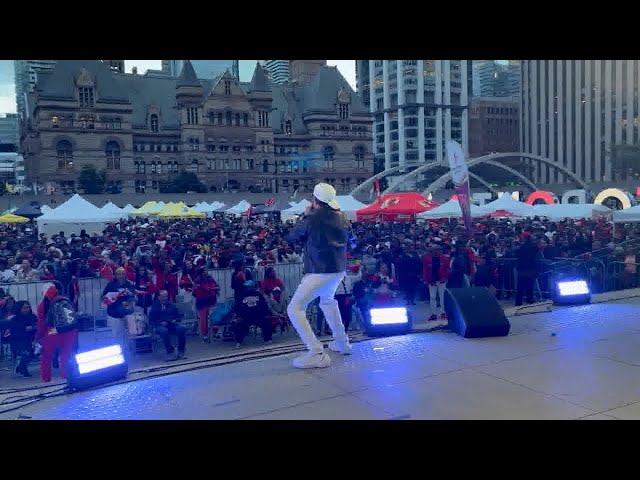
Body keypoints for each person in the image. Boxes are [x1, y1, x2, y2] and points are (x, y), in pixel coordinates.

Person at [286, 183, 351, 369]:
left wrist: (305, 215)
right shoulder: (342, 216)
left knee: (295, 309)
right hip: (338, 269)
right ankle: (342, 343)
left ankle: (316, 352)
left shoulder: (312, 219)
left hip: (318, 270)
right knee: (328, 301)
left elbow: (292, 237)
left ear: (314, 200)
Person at [35, 282, 79, 383]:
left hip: (52, 331)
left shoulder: (42, 305)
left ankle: (46, 379)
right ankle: (66, 375)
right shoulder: (65, 300)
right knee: (66, 354)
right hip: (68, 331)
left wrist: (38, 337)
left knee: (46, 355)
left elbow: (41, 324)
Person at [102, 267, 136, 355]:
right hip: (114, 312)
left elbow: (132, 298)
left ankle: (129, 350)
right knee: (117, 334)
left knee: (131, 332)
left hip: (127, 310)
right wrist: (110, 298)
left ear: (125, 275)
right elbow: (103, 297)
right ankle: (118, 352)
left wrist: (127, 303)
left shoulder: (130, 284)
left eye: (123, 274)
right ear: (115, 275)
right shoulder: (110, 285)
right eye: (119, 274)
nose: (121, 276)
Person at [232, 280, 273, 348]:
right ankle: (239, 342)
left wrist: (266, 314)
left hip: (258, 315)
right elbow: (237, 307)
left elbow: (264, 305)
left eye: (250, 287)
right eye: (247, 287)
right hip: (246, 316)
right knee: (238, 324)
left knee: (266, 321)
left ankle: (268, 339)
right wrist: (239, 316)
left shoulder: (258, 295)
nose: (248, 289)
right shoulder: (241, 296)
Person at [148, 290, 186, 361]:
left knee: (181, 328)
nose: (165, 298)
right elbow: (151, 321)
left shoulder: (171, 305)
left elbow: (178, 316)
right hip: (159, 326)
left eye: (166, 296)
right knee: (164, 331)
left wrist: (175, 320)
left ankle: (181, 350)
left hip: (171, 325)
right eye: (163, 296)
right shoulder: (154, 307)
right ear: (159, 297)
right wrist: (160, 323)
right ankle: (170, 351)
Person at [7, 301, 37, 377]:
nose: (27, 309)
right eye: (24, 308)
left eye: (28, 307)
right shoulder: (14, 319)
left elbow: (36, 326)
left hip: (31, 339)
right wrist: (28, 328)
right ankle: (22, 367)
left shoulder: (32, 316)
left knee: (39, 348)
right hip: (18, 341)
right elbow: (17, 331)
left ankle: (21, 367)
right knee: (28, 351)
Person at [423, 244, 450, 321]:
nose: (438, 251)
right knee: (432, 297)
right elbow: (425, 270)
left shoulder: (445, 258)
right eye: (436, 250)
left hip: (442, 280)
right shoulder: (427, 259)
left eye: (439, 250)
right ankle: (433, 313)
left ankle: (443, 313)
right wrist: (426, 280)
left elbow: (447, 269)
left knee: (442, 297)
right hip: (432, 281)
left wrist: (445, 278)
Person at [334, 264, 362, 332]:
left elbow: (358, 277)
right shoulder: (334, 279)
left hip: (346, 297)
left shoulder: (349, 278)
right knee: (339, 314)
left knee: (347, 314)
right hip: (338, 297)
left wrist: (360, 269)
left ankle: (345, 329)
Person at [515, 232, 540, 306]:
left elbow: (517, 254)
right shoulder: (534, 246)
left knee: (520, 287)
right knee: (530, 286)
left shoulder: (522, 247)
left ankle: (518, 302)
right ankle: (530, 301)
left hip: (523, 269)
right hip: (531, 269)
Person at [192, 271, 219, 341]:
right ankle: (204, 335)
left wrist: (213, 289)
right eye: (204, 271)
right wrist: (203, 291)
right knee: (203, 319)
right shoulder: (197, 280)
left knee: (215, 317)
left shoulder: (210, 278)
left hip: (211, 300)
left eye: (206, 271)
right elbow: (194, 293)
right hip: (202, 301)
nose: (206, 272)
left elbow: (217, 286)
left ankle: (215, 332)